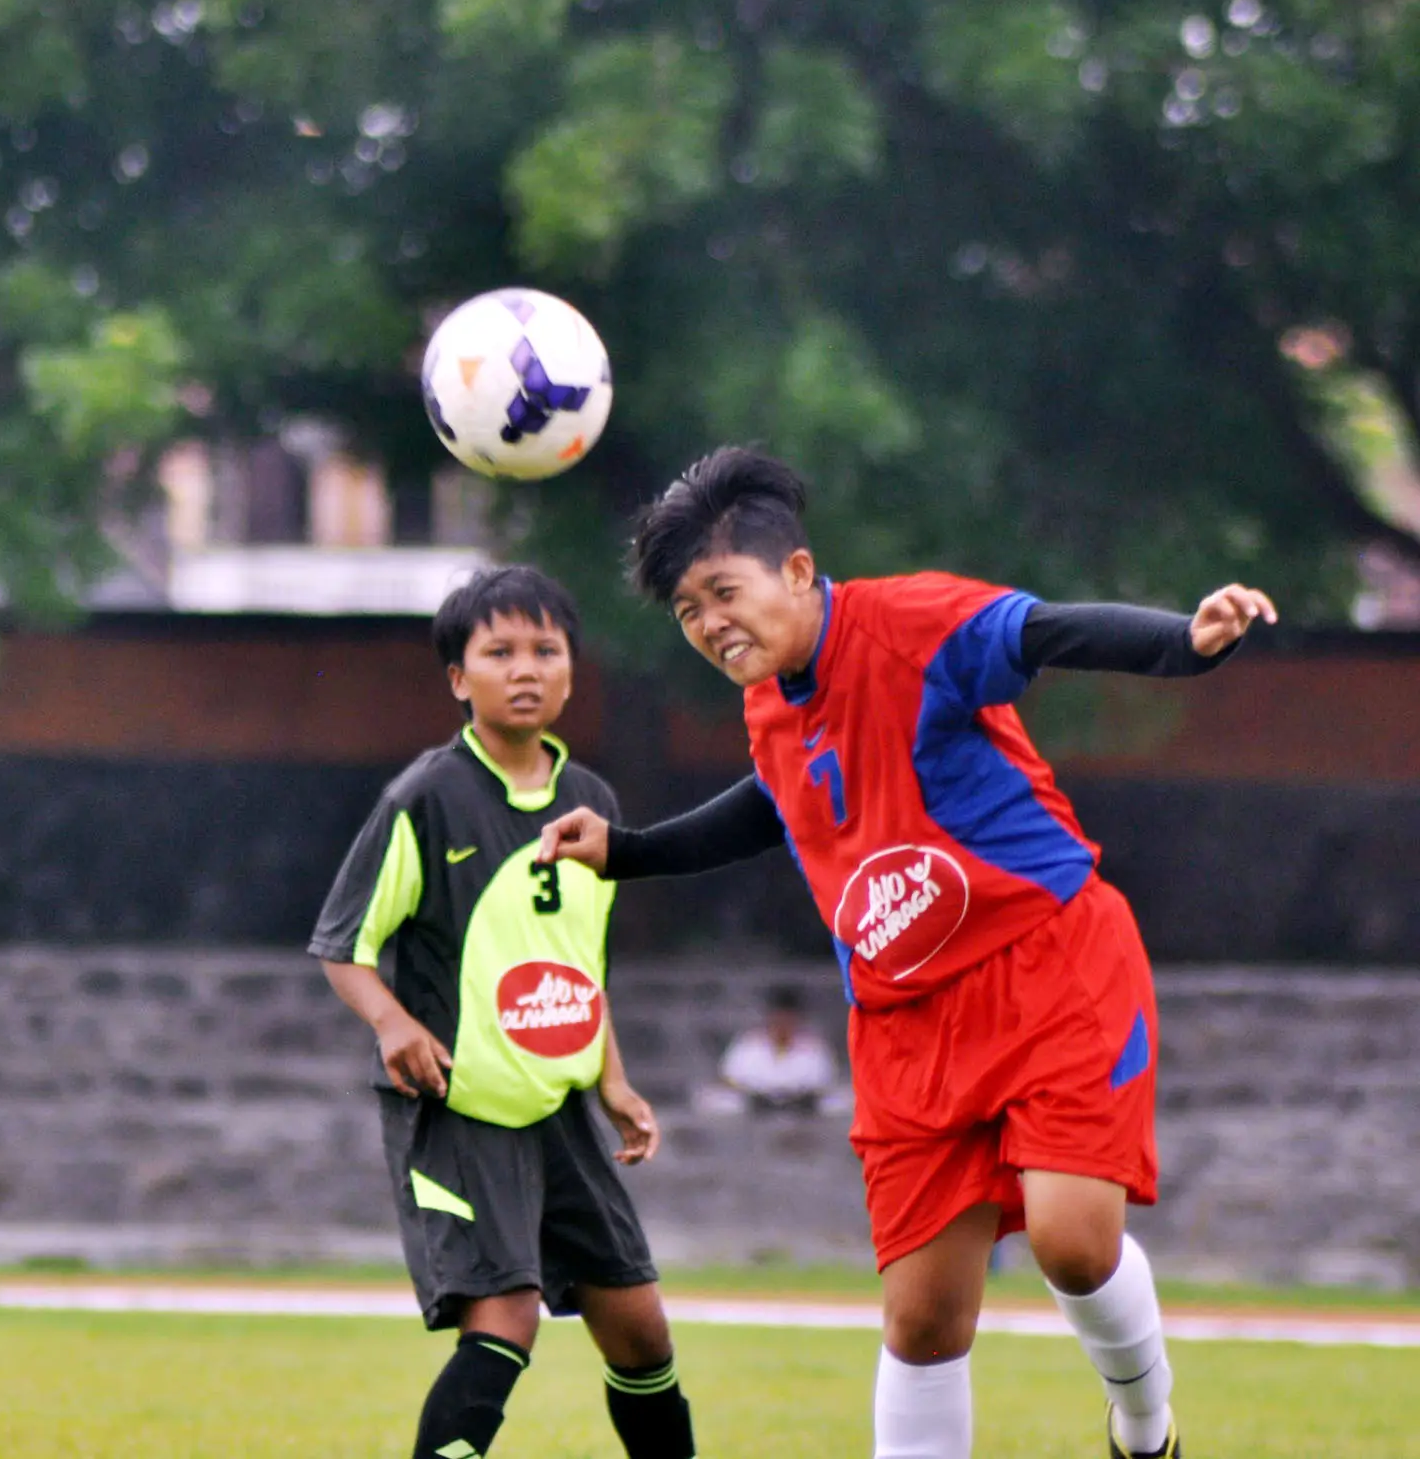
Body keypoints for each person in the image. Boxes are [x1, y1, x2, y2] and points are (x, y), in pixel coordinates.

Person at [537, 448, 1277, 1459]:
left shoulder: (909, 623)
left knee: (1071, 1242)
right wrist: (626, 851)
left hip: (1047, 960)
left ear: (796, 571)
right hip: (903, 1018)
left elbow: (1040, 629)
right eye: (687, 612)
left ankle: (1144, 1429)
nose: (710, 624)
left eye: (722, 591)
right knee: (921, 1318)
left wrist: (1183, 645)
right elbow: (774, 806)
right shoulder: (767, 704)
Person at [311, 565, 698, 1459]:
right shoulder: (427, 797)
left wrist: (615, 1080)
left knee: (639, 1325)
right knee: (505, 1316)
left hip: (560, 1108)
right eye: (499, 651)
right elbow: (343, 945)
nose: (525, 668)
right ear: (459, 678)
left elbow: (578, 967)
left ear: (570, 670)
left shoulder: (592, 802)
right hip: (460, 1107)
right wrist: (394, 1023)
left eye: (545, 649)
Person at [719, 985, 839, 1115]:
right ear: (769, 1018)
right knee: (718, 1102)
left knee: (841, 1102)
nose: (783, 1024)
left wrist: (800, 1098)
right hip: (754, 1104)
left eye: (788, 1019)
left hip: (802, 1106)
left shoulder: (814, 1045)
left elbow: (825, 1081)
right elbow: (730, 1077)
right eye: (778, 1018)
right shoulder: (748, 1043)